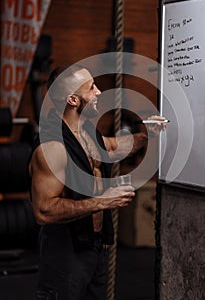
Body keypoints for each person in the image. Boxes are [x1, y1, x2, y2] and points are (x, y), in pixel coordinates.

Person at [28, 63, 165, 300]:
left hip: (95, 247)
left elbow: (113, 147)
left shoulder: (87, 132)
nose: (100, 92)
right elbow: (44, 211)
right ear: (72, 100)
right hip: (66, 254)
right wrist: (103, 202)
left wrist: (148, 135)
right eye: (91, 88)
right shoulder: (52, 147)